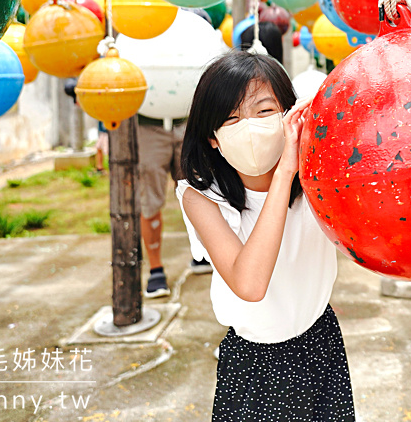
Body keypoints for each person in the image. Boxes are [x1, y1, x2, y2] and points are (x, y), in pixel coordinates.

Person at [176, 50, 354, 421]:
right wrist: (285, 172)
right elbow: (250, 283)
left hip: (320, 343)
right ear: (212, 137)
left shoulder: (320, 177)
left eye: (264, 111)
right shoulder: (201, 197)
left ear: (288, 115)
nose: (251, 127)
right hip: (252, 364)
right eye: (231, 118)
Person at [138, 110, 212, 299]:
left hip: (184, 119)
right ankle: (156, 270)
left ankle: (202, 253)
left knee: (198, 189)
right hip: (146, 124)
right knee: (149, 198)